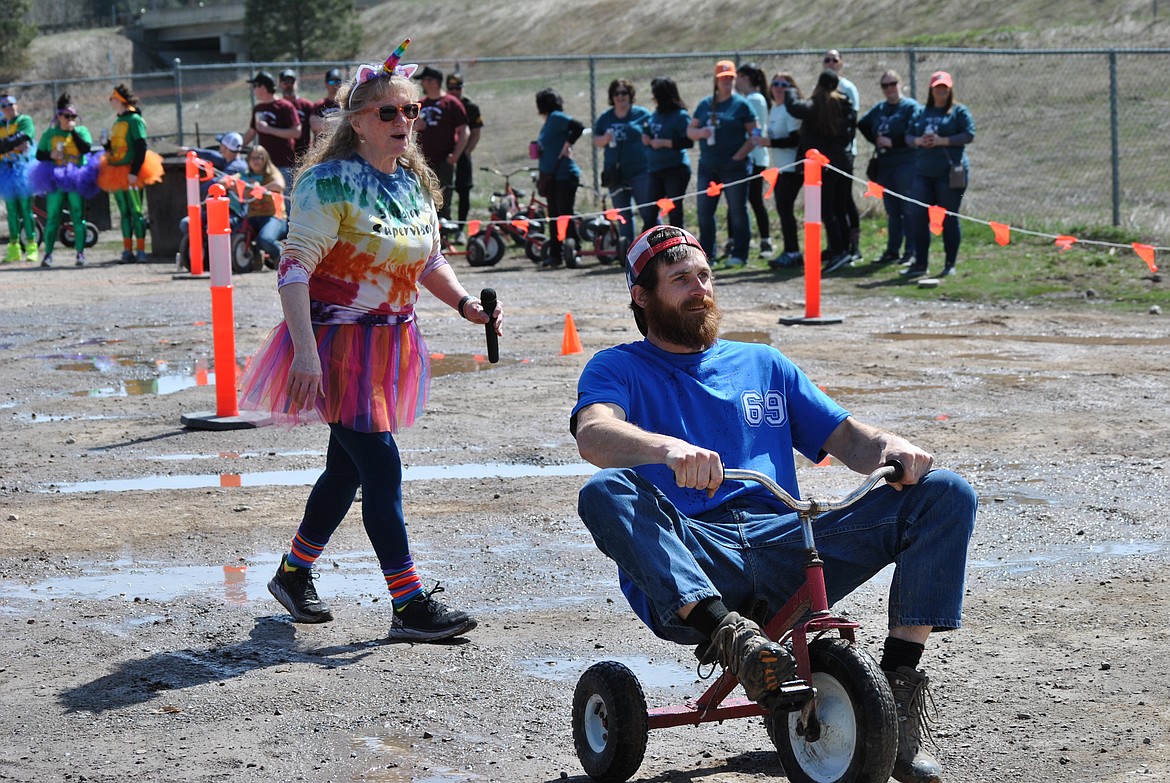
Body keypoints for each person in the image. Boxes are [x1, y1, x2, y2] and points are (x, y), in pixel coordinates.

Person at [572, 224, 977, 783]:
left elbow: (849, 440)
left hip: (788, 541)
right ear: (641, 296)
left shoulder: (762, 364)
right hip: (698, 555)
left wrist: (889, 445)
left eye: (705, 276)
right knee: (604, 491)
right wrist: (669, 450)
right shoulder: (618, 367)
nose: (700, 288)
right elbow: (593, 434)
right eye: (680, 278)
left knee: (944, 493)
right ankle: (730, 636)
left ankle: (897, 701)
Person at [237, 40, 501, 642]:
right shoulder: (328, 186)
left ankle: (293, 572)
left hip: (391, 343)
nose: (404, 122)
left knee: (346, 470)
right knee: (380, 465)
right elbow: (294, 271)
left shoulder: (412, 185)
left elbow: (428, 260)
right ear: (356, 121)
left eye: (411, 112)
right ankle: (409, 605)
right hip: (335, 345)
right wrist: (305, 352)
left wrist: (463, 304)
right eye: (389, 112)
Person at [783, 70, 856, 274]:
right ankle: (846, 250)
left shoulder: (816, 105)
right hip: (842, 162)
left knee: (826, 210)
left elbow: (794, 107)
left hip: (822, 166)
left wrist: (790, 90)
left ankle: (839, 251)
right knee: (840, 208)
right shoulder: (845, 104)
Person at [904, 71, 975, 279]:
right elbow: (908, 136)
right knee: (918, 216)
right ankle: (920, 263)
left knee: (949, 218)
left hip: (949, 173)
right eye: (937, 87)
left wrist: (942, 140)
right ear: (931, 89)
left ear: (950, 89)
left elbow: (969, 134)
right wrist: (919, 141)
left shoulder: (958, 111)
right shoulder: (921, 112)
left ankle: (949, 263)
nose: (941, 91)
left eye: (944, 87)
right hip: (923, 173)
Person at [687, 60, 756, 268]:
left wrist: (739, 155)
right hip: (708, 166)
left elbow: (755, 134)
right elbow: (690, 131)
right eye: (722, 78)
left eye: (730, 78)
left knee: (737, 209)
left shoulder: (742, 104)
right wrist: (700, 133)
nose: (726, 81)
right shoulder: (706, 104)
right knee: (705, 211)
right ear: (716, 81)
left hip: (735, 167)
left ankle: (740, 254)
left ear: (734, 80)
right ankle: (708, 256)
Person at [858, 70, 921, 266]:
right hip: (886, 165)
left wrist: (893, 142)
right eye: (885, 85)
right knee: (892, 210)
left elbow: (916, 131)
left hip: (906, 164)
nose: (889, 89)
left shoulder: (910, 107)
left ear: (900, 84)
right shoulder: (880, 108)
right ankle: (892, 251)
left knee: (909, 209)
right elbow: (862, 124)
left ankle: (912, 251)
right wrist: (876, 141)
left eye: (892, 84)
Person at [98, 83, 165, 263]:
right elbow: (117, 147)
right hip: (117, 169)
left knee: (136, 211)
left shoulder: (134, 120)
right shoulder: (118, 121)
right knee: (124, 211)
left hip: (131, 170)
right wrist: (106, 145)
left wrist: (135, 171)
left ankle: (141, 249)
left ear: (120, 100)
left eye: (113, 97)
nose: (110, 101)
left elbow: (140, 146)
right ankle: (127, 249)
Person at [31, 94, 98, 268]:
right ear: (59, 116)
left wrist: (73, 131)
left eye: (73, 116)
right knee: (53, 216)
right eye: (67, 116)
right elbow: (39, 155)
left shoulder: (81, 131)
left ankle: (80, 253)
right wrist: (50, 155)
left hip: (76, 177)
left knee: (78, 215)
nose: (70, 119)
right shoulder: (50, 133)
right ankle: (48, 255)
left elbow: (85, 148)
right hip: (56, 177)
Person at [592, 78, 654, 244]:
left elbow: (652, 134)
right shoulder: (606, 117)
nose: (620, 96)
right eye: (616, 93)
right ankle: (628, 251)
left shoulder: (642, 114)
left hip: (640, 171)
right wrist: (604, 139)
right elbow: (595, 140)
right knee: (623, 215)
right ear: (612, 96)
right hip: (615, 174)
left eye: (624, 93)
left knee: (648, 212)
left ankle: (655, 248)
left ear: (630, 95)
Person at [755, 71, 802, 269]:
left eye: (784, 84)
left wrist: (770, 142)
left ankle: (793, 253)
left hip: (793, 167)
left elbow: (795, 139)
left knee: (785, 209)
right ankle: (791, 251)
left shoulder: (790, 109)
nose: (779, 87)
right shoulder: (775, 109)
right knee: (783, 210)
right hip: (782, 168)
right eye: (775, 83)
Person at [534, 86, 584, 268]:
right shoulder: (549, 122)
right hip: (552, 177)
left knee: (564, 214)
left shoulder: (556, 117)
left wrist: (568, 144)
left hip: (564, 175)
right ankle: (556, 253)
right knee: (554, 216)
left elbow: (578, 127)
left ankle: (573, 248)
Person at [822, 48, 863, 262]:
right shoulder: (822, 87)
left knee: (845, 200)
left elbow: (852, 121)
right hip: (829, 155)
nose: (830, 63)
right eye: (827, 60)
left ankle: (853, 245)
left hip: (845, 154)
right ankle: (835, 245)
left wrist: (844, 149)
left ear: (841, 63)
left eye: (834, 60)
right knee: (833, 203)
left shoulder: (847, 88)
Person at [414, 65, 468, 221]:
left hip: (445, 159)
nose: (422, 84)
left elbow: (465, 131)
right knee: (424, 194)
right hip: (423, 160)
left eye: (424, 81)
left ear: (433, 82)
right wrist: (416, 125)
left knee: (444, 196)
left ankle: (445, 228)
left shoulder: (451, 103)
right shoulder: (420, 104)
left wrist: (455, 155)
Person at [642, 76, 692, 231]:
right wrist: (646, 138)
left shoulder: (680, 115)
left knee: (674, 212)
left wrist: (664, 143)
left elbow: (688, 141)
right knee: (649, 213)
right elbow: (651, 131)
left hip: (675, 169)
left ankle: (678, 247)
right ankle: (649, 249)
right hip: (655, 169)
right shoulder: (656, 113)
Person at [734, 63, 773, 258]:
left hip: (755, 157)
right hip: (750, 156)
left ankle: (765, 240)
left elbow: (756, 128)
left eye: (737, 77)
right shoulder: (747, 98)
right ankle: (737, 239)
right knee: (741, 199)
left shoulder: (754, 99)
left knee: (754, 200)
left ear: (745, 77)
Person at [240, 71, 301, 184]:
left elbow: (296, 132)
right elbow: (252, 131)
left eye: (255, 86)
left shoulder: (284, 106)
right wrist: (237, 147)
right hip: (263, 165)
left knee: (285, 198)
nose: (253, 90)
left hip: (283, 163)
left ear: (262, 87)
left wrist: (269, 129)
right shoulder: (258, 108)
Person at [0, 94, 37, 264]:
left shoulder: (24, 120)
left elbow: (24, 136)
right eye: (4, 106)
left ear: (16, 105)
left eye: (11, 104)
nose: (8, 108)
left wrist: (5, 144)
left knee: (26, 210)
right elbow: (14, 142)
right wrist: (12, 144)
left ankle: (31, 247)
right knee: (11, 212)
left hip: (22, 169)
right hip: (5, 171)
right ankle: (13, 248)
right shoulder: (1, 124)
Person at [445, 72, 483, 228]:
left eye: (457, 88)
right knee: (444, 189)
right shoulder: (444, 104)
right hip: (445, 153)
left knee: (464, 189)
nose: (454, 92)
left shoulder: (470, 107)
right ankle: (444, 226)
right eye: (451, 88)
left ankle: (461, 226)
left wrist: (466, 152)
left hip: (463, 153)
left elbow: (475, 132)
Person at [240, 144, 287, 267]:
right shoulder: (247, 175)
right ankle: (253, 256)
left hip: (274, 217)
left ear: (265, 159)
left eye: (259, 157)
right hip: (253, 216)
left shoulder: (272, 173)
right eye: (253, 158)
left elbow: (280, 185)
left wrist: (261, 189)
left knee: (265, 240)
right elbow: (234, 181)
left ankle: (284, 257)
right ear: (248, 160)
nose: (256, 161)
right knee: (236, 233)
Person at [278, 69, 316, 160]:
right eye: (285, 82)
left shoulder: (306, 105)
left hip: (303, 155)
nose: (288, 85)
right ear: (280, 84)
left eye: (291, 81)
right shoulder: (277, 106)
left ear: (296, 83)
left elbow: (316, 130)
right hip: (282, 156)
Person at [310, 68, 344, 140]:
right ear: (325, 83)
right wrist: (341, 122)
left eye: (338, 81)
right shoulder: (319, 105)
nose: (335, 84)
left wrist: (325, 123)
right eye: (331, 81)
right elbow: (315, 126)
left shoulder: (346, 104)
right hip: (322, 146)